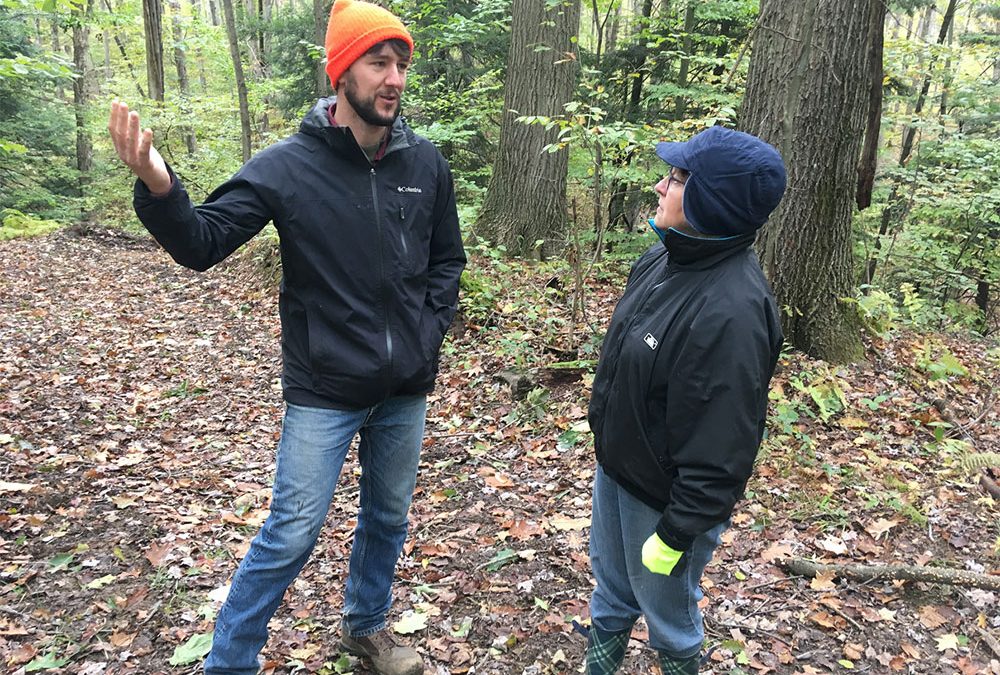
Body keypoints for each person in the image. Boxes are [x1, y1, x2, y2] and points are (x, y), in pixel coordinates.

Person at [107, 0, 466, 672]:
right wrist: (159, 183)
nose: (394, 78)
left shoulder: (424, 163)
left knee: (387, 519)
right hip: (325, 386)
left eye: (401, 64)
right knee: (292, 532)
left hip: (405, 386)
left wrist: (426, 332)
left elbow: (447, 260)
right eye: (378, 62)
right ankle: (230, 660)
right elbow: (202, 241)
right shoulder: (286, 166)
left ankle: (364, 628)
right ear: (341, 72)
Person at [584, 126, 787, 674]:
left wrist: (676, 533)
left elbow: (724, 446)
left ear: (710, 200)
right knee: (610, 595)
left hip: (664, 502)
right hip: (619, 472)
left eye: (674, 179)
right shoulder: (661, 262)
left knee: (670, 624)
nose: (658, 186)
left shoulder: (734, 311)